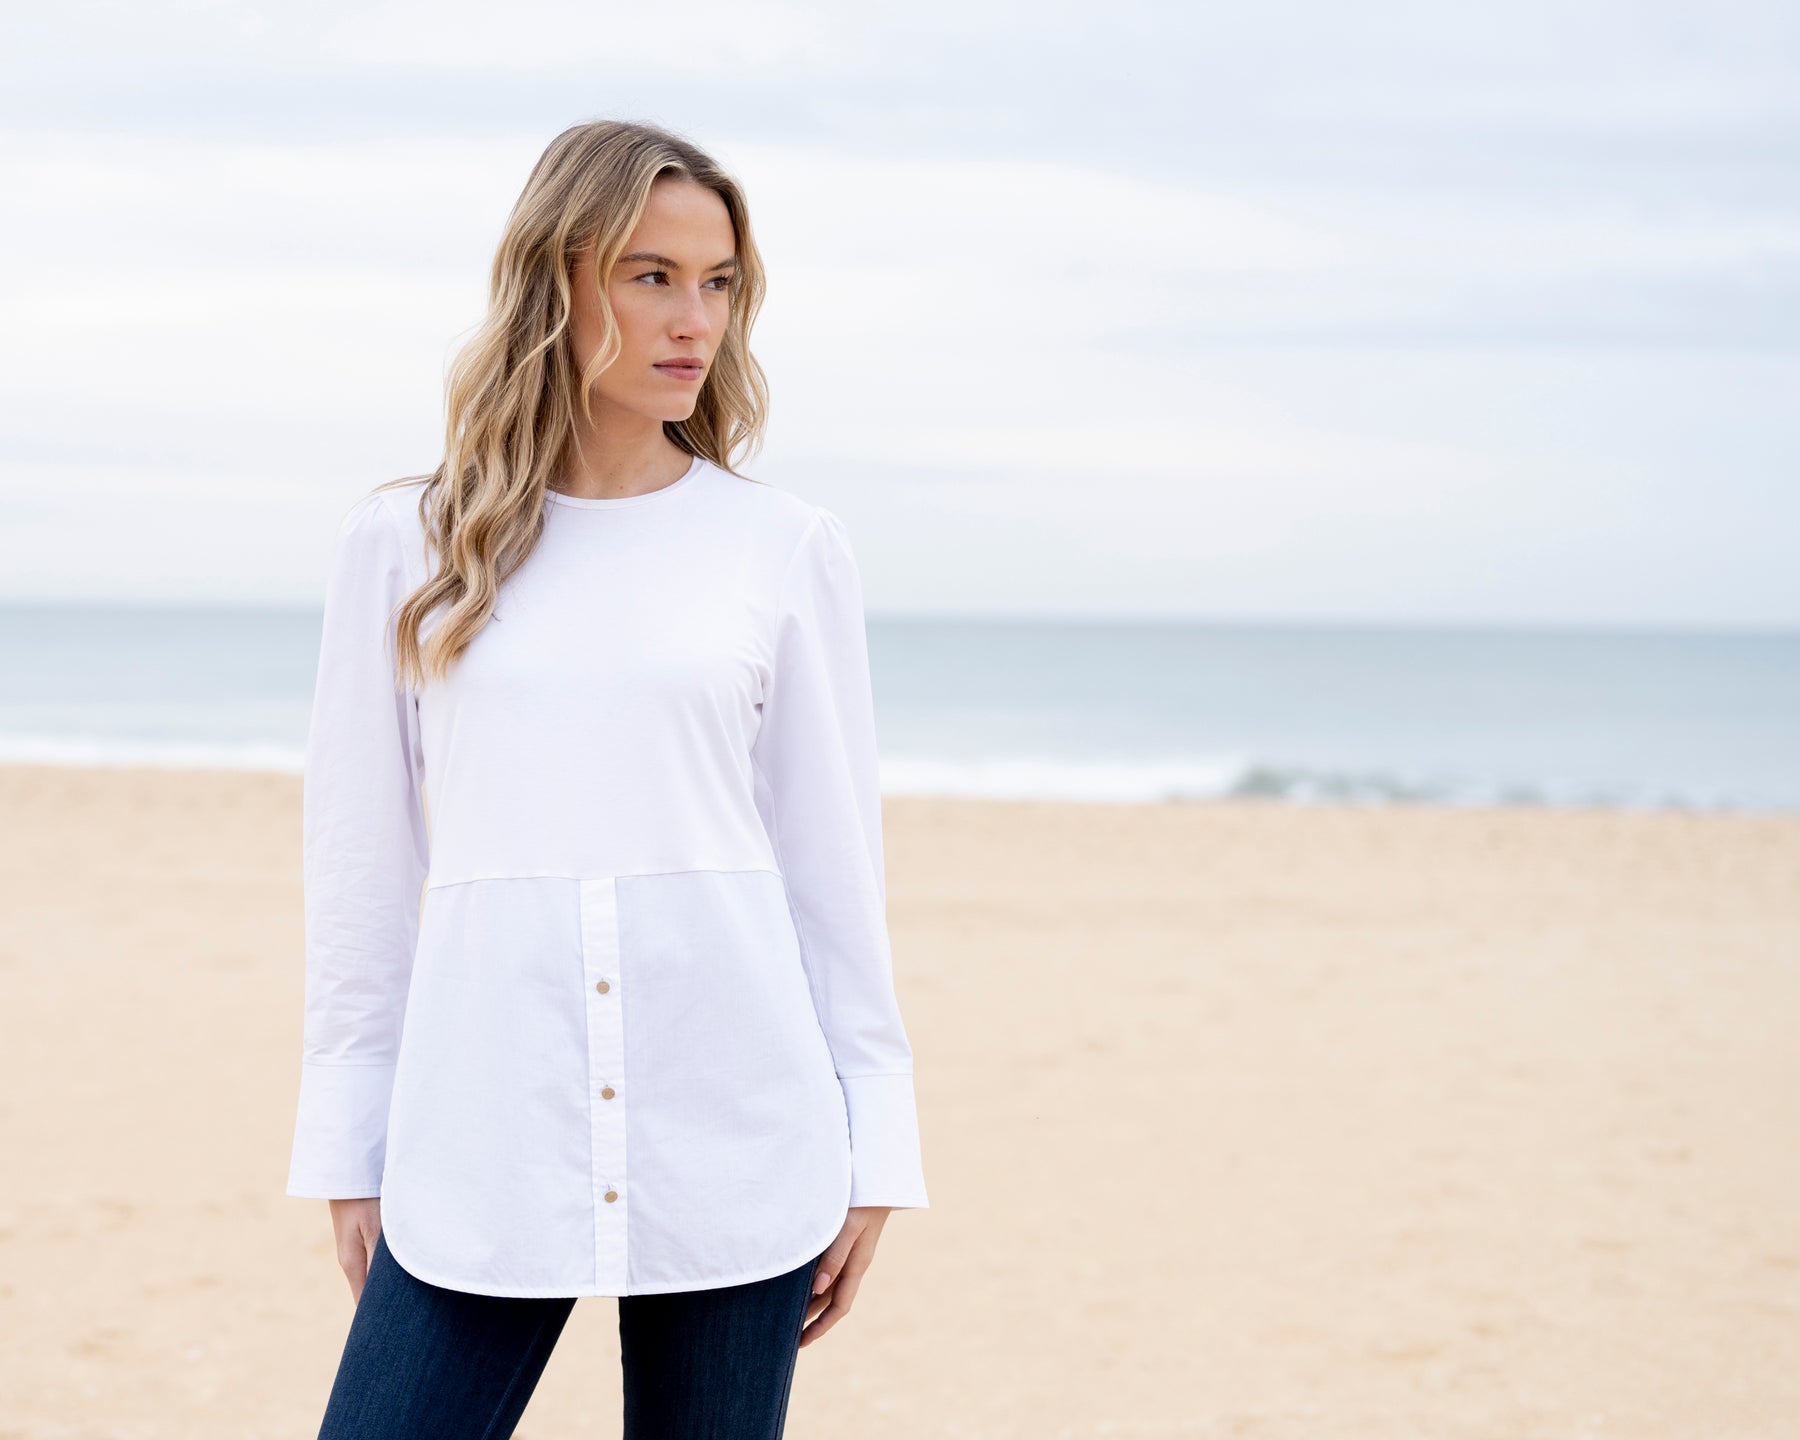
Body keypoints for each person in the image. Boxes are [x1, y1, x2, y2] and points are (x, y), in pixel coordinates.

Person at [284, 118, 930, 1439]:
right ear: (556, 281)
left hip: (739, 1131)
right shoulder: (406, 546)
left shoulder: (783, 547)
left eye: (720, 282)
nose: (695, 320)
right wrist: (349, 1142)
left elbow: (831, 871)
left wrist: (879, 1145)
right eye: (651, 276)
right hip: (483, 1129)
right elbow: (361, 869)